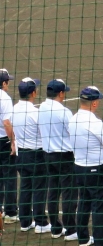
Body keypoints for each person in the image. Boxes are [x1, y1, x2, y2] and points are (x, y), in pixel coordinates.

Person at [69, 86, 103, 246]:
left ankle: (83, 238)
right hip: (96, 170)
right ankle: (101, 242)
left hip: (79, 167)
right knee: (99, 206)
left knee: (84, 202)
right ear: (94, 103)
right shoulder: (96, 123)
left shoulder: (73, 119)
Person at [38, 79, 77, 240]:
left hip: (48, 155)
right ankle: (71, 230)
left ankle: (55, 228)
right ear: (60, 93)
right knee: (69, 193)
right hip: (65, 156)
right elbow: (73, 132)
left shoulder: (41, 107)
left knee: (53, 191)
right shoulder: (64, 111)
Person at [11, 77, 50, 233]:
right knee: (40, 188)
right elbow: (44, 133)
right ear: (33, 93)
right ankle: (41, 223)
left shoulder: (14, 109)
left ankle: (25, 222)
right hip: (36, 155)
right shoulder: (35, 113)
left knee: (25, 187)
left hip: (20, 154)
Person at [0, 69, 17, 224]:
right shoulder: (4, 98)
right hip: (3, 141)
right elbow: (6, 123)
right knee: (10, 175)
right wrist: (13, 141)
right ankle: (11, 212)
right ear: (4, 83)